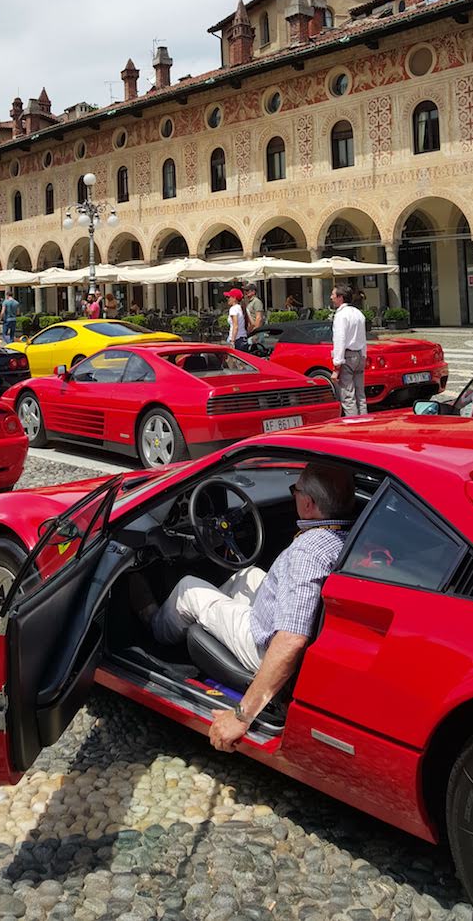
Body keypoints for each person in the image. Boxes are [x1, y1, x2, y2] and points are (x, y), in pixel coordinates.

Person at [135, 460, 356, 751]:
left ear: (309, 503)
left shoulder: (308, 552)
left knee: (189, 587)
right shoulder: (344, 534)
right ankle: (208, 617)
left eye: (295, 489)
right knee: (247, 574)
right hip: (274, 620)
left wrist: (241, 715)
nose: (293, 495)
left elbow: (291, 640)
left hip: (263, 645)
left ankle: (155, 627)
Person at [330, 283, 367, 417]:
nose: (331, 297)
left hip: (348, 355)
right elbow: (363, 338)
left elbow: (340, 339)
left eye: (333, 295)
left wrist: (336, 366)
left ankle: (353, 424)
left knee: (348, 396)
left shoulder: (341, 315)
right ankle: (364, 421)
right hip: (359, 355)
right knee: (360, 395)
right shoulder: (358, 313)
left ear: (340, 297)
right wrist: (363, 355)